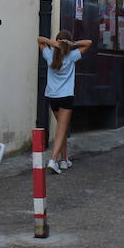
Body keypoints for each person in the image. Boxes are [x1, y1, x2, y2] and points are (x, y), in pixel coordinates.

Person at [38, 30, 93, 173]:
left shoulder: (49, 56)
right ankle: (53, 160)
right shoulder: (72, 56)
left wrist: (54, 44)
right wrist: (71, 44)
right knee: (61, 130)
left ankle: (64, 160)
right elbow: (89, 43)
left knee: (62, 129)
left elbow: (40, 39)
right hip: (66, 97)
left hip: (52, 97)